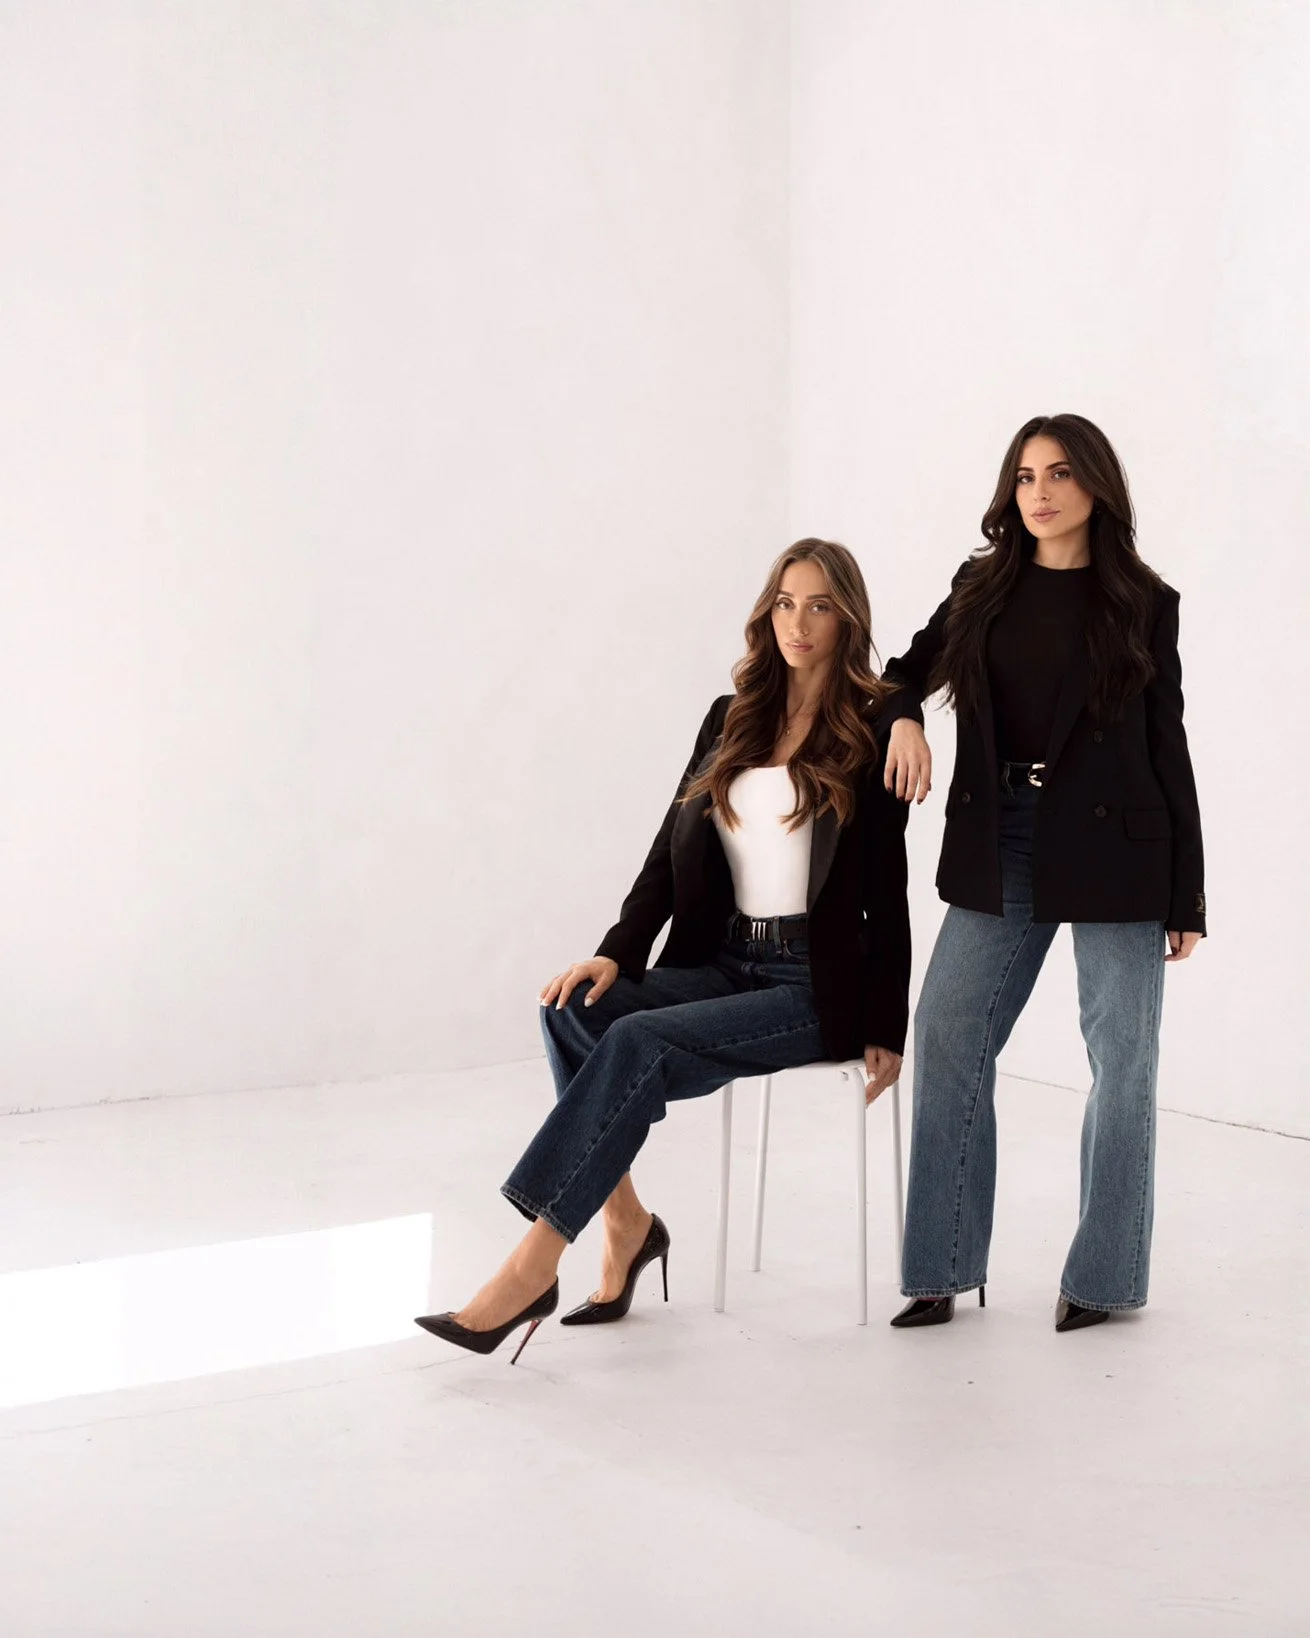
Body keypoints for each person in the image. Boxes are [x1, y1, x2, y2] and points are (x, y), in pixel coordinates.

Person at [415, 539, 912, 1361]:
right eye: (786, 602)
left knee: (635, 1040)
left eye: (819, 604)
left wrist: (887, 1022)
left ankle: (533, 1264)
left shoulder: (870, 728)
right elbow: (666, 849)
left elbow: (888, 889)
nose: (799, 621)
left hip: (813, 987)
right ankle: (626, 1222)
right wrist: (618, 950)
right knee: (580, 1008)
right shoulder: (731, 718)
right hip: (723, 961)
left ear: (847, 615)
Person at [880, 413, 1205, 1333]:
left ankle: (1102, 1278)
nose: (1039, 493)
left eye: (1059, 474)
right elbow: (905, 671)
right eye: (1024, 477)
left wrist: (1189, 892)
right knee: (948, 1033)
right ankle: (940, 1266)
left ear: (1097, 486)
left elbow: (1167, 747)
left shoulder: (1144, 601)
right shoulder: (982, 587)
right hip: (1004, 837)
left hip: (1119, 851)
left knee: (1123, 1062)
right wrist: (905, 718)